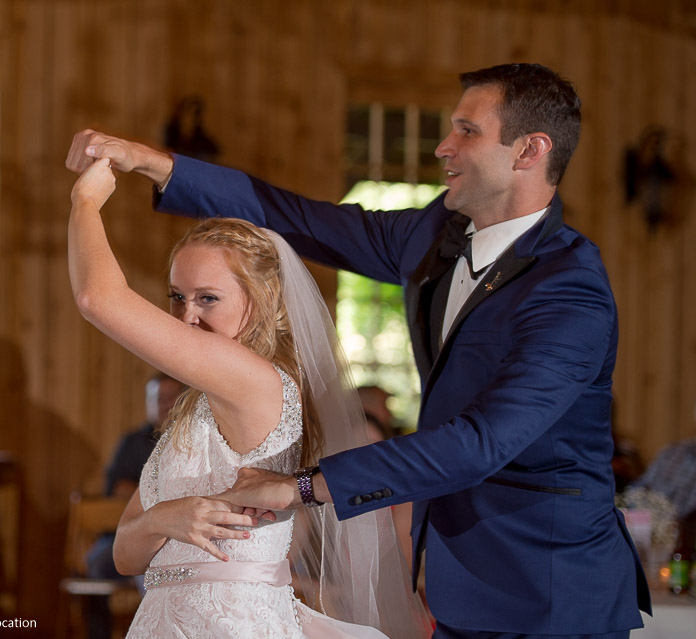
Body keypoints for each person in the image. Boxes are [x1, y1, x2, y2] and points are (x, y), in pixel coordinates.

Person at [66, 63, 652, 638]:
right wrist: (150, 162)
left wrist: (301, 486)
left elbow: (482, 442)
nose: (444, 147)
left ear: (530, 151)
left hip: (550, 590)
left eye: (467, 131)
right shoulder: (434, 238)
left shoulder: (569, 291)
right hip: (457, 581)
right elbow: (294, 218)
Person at [68, 162, 431, 637]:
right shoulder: (195, 408)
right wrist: (163, 517)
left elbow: (98, 298)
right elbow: (124, 554)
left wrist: (86, 202)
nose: (187, 317)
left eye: (208, 299)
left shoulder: (259, 383)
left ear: (261, 301)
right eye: (178, 296)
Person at [84, 373, 183, 639]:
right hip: (122, 533)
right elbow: (118, 489)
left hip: (177, 539)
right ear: (148, 403)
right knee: (95, 562)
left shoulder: (187, 441)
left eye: (172, 398)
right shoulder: (132, 442)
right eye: (160, 399)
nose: (166, 404)